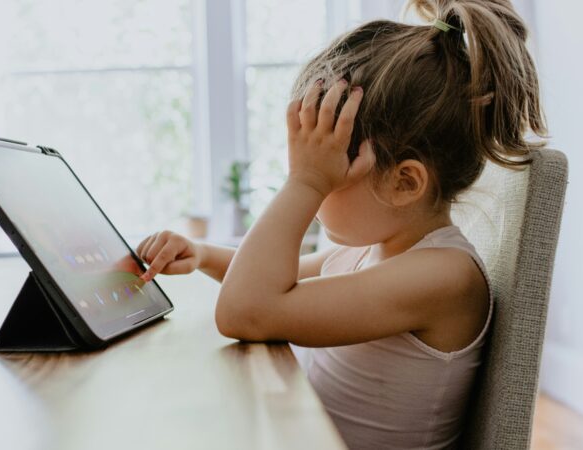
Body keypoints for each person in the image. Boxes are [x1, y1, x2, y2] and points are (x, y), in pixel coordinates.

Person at [136, 0, 545, 447]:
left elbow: (245, 311)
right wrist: (203, 255)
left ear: (404, 182)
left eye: (328, 173)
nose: (311, 195)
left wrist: (305, 181)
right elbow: (274, 280)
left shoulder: (444, 277)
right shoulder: (371, 249)